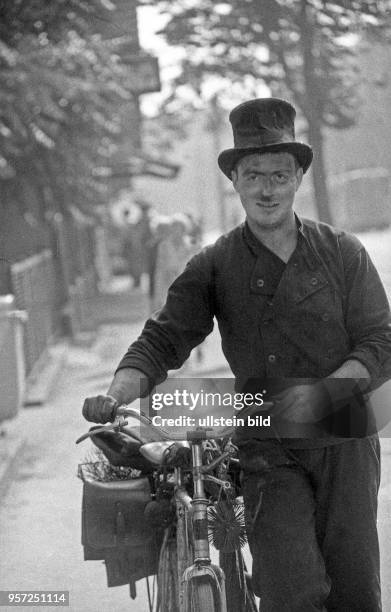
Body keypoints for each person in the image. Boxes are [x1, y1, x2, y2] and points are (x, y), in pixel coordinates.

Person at [83, 98, 391, 611]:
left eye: (279, 175)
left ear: (298, 179)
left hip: (344, 433)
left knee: (355, 588)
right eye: (254, 176)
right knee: (291, 588)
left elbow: (381, 339)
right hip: (268, 443)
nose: (267, 189)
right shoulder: (215, 264)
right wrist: (113, 394)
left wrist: (329, 392)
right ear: (237, 183)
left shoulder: (342, 252)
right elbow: (163, 339)